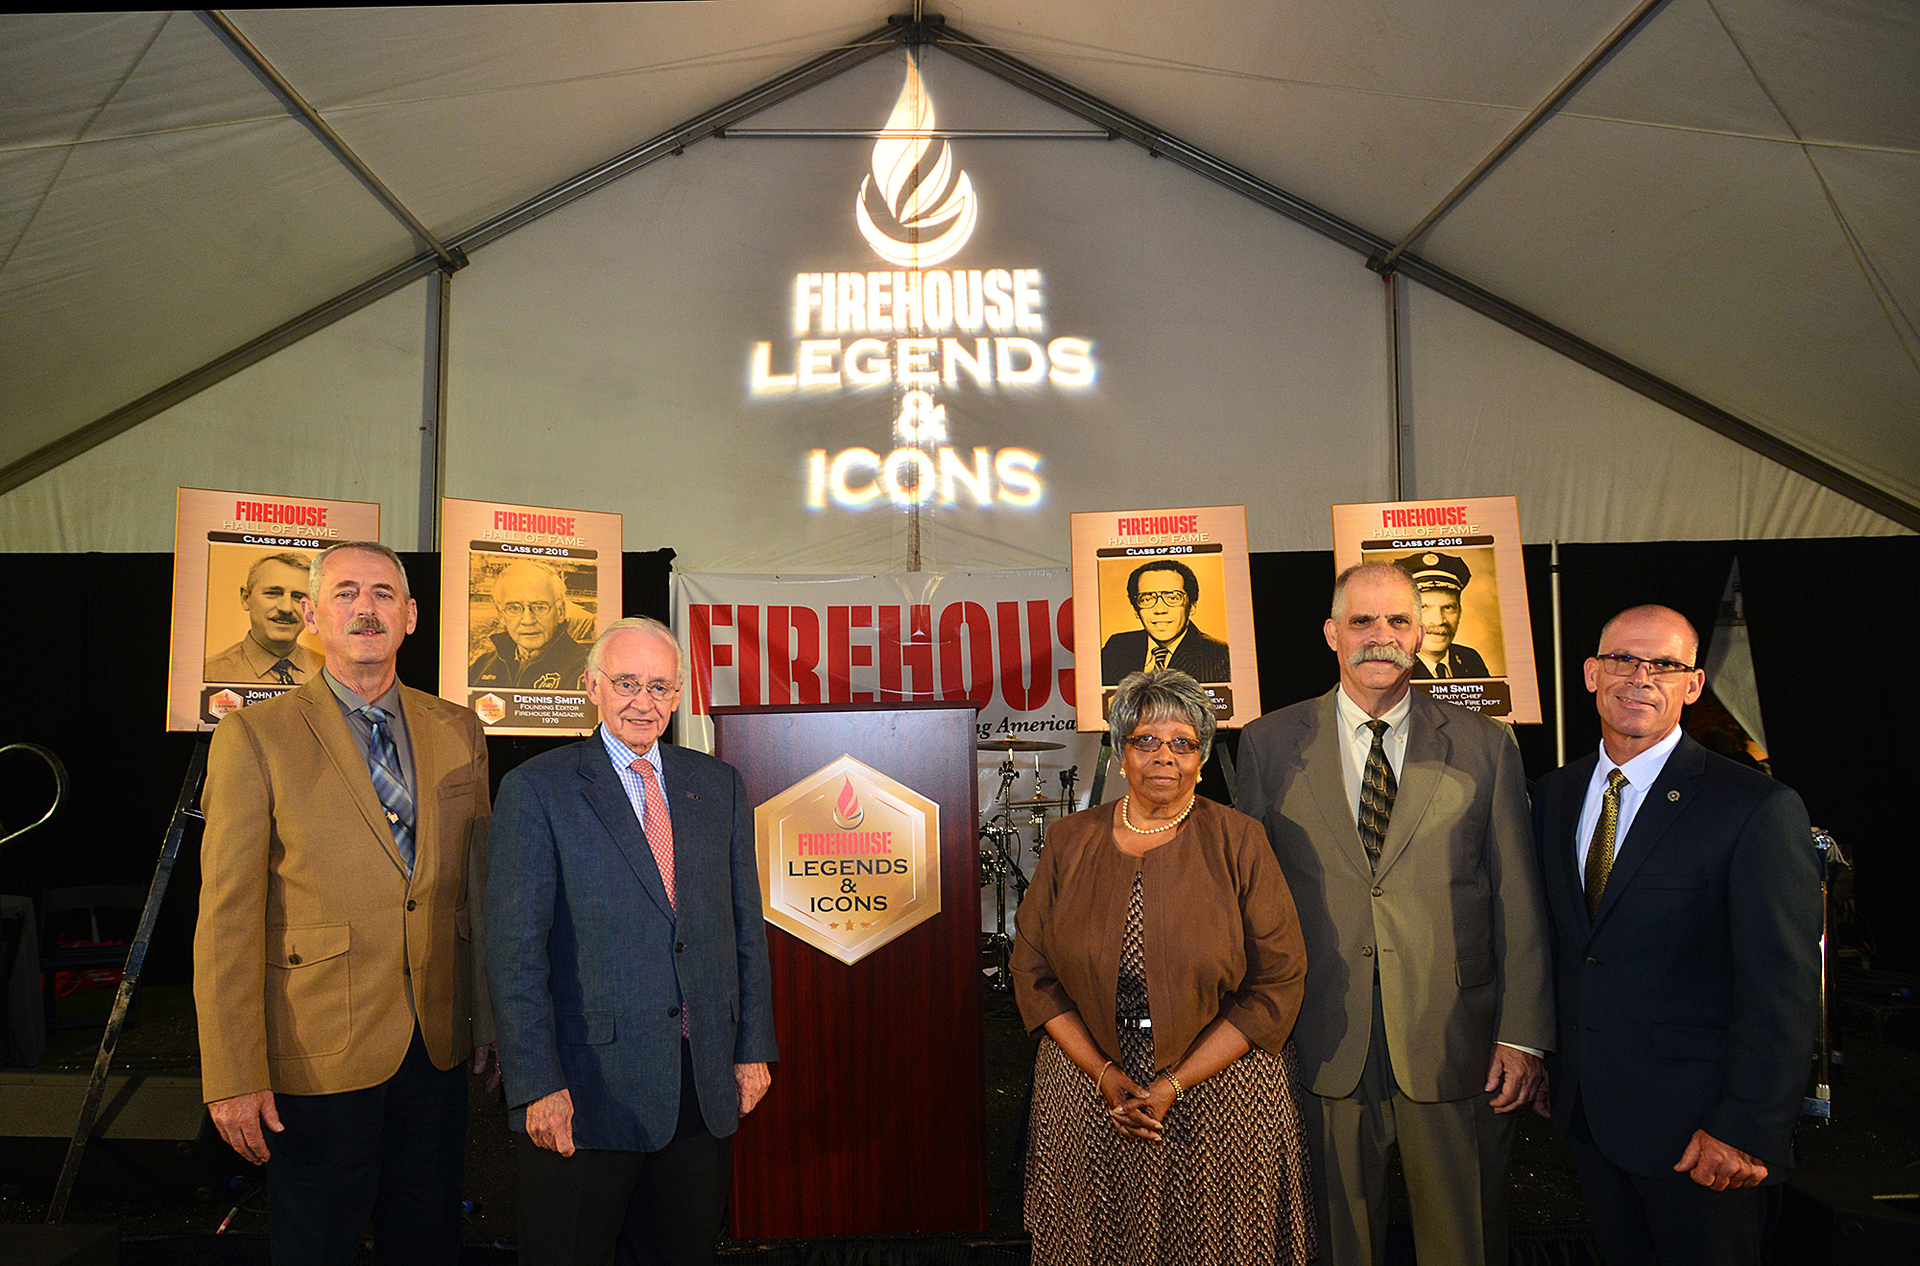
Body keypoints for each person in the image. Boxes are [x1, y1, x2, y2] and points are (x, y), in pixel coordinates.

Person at [1235, 561, 1552, 1266]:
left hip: (1459, 1038)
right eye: (1362, 621)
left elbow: (1518, 899)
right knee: (1337, 1243)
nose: (1380, 637)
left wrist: (1524, 1036)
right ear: (1331, 633)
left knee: (1466, 1240)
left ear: (1421, 634)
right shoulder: (1268, 743)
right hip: (1320, 1036)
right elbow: (1252, 903)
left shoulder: (1486, 744)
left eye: (1398, 621)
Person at [195, 541, 495, 1266]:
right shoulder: (253, 735)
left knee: (427, 1242)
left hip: (437, 1044)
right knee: (316, 1246)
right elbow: (227, 919)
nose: (367, 609)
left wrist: (486, 1016)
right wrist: (234, 1074)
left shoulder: (459, 729)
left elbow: (479, 889)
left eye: (384, 594)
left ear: (411, 616)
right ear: (311, 615)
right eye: (346, 593)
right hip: (316, 1048)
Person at [1531, 605, 1820, 1266]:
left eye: (1663, 664)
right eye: (1622, 660)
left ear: (1692, 685)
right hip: (1590, 1120)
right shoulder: (1554, 794)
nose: (1640, 678)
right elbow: (1568, 947)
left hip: (1702, 1135)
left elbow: (1781, 988)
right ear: (1591, 673)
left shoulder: (1754, 807)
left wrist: (1746, 1129)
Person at [487, 617, 777, 1266]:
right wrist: (536, 1085)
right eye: (625, 683)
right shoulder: (537, 789)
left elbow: (744, 929)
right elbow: (514, 957)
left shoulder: (719, 785)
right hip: (584, 1091)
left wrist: (753, 1049)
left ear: (678, 696)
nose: (643, 702)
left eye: (659, 686)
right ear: (592, 686)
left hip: (700, 1085)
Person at [1012, 668, 1314, 1266]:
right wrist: (1103, 1073)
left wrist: (1174, 1084)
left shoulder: (1239, 839)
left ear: (1201, 760)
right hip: (1088, 1091)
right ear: (1121, 751)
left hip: (1222, 1092)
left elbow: (1277, 980)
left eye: (1183, 743)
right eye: (1146, 740)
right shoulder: (1070, 840)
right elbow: (1033, 973)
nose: (1164, 756)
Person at [1098, 559, 1233, 685]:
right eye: (1147, 599)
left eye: (1173, 598)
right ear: (1136, 609)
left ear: (1192, 606)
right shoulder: (1116, 648)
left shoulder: (1221, 657)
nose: (1160, 610)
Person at [204, 550, 324, 684]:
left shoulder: (330, 673)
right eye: (273, 593)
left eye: (298, 597)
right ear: (245, 598)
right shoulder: (210, 674)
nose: (286, 608)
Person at [469, 560, 590, 691]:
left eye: (539, 607)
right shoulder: (481, 666)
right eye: (514, 608)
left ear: (560, 612)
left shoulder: (585, 669)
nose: (528, 620)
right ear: (501, 615)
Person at [1394, 551, 1492, 680]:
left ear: (1459, 612)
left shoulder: (1470, 659)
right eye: (1423, 607)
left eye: (1448, 607)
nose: (1439, 620)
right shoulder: (1391, 667)